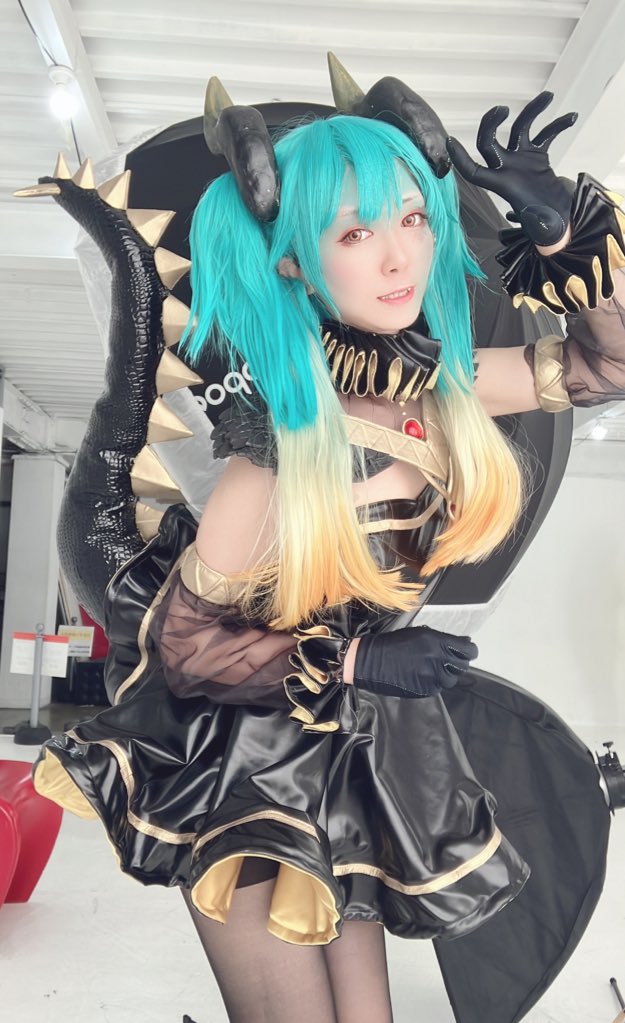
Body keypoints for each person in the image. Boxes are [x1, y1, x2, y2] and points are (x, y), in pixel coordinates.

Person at [23, 58, 625, 1023]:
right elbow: (184, 651)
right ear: (294, 262)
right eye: (355, 232)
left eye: (411, 219)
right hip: (238, 761)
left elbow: (605, 365)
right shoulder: (281, 449)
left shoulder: (442, 388)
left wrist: (566, 233)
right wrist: (356, 661)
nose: (397, 258)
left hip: (342, 747)